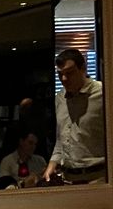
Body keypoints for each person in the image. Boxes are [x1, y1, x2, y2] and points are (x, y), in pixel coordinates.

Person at [44, 48, 105, 183]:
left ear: (83, 68)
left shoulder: (103, 94)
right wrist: (53, 163)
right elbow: (61, 137)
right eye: (60, 74)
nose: (64, 79)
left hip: (98, 177)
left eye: (69, 73)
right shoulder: (60, 97)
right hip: (68, 178)